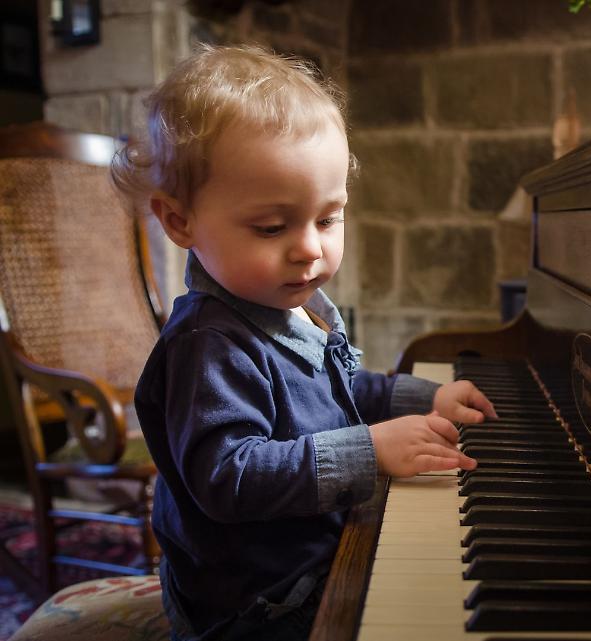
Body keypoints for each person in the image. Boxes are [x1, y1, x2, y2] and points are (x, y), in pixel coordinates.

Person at [111, 44, 496, 641]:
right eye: (272, 226)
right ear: (180, 221)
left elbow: (334, 395)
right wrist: (369, 451)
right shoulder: (206, 345)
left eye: (328, 217)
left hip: (299, 561)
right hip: (254, 600)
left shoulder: (286, 303)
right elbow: (228, 475)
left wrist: (423, 399)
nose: (310, 248)